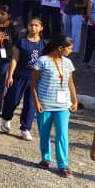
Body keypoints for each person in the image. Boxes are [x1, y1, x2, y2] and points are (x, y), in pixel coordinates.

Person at [32, 34, 78, 177]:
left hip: (63, 106)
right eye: (69, 48)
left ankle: (63, 165)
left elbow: (70, 83)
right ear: (60, 48)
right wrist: (36, 102)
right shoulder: (42, 61)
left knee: (62, 134)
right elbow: (33, 83)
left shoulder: (68, 63)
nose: (71, 51)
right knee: (44, 133)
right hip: (45, 104)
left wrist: (74, 100)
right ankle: (46, 158)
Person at [1, 16, 45, 140]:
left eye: (36, 25)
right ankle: (6, 118)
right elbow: (15, 59)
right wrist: (10, 75)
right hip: (20, 75)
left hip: (35, 79)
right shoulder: (21, 42)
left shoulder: (44, 44)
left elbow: (45, 63)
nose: (33, 27)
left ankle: (25, 128)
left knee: (30, 104)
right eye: (31, 25)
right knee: (13, 99)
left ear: (41, 28)